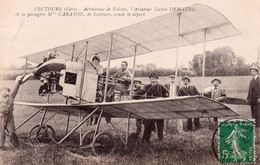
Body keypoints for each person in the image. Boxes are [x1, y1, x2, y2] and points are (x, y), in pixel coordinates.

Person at [0, 75, 25, 149]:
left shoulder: (11, 96)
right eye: (3, 91)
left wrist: (18, 82)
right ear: (0, 92)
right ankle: (1, 146)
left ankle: (16, 145)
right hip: (1, 117)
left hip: (10, 117)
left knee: (12, 132)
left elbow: (16, 90)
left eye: (7, 91)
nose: (5, 92)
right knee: (1, 133)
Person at [142, 74, 168, 142]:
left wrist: (164, 104)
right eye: (151, 79)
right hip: (150, 109)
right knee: (148, 125)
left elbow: (167, 94)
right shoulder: (147, 87)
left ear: (157, 79)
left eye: (154, 79)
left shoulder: (161, 86)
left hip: (159, 109)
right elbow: (140, 93)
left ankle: (160, 140)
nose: (153, 80)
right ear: (150, 79)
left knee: (160, 125)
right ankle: (146, 140)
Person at [246, 66, 260, 138]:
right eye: (251, 71)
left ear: (257, 72)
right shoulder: (251, 81)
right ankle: (255, 125)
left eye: (253, 71)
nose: (252, 73)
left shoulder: (259, 79)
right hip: (252, 100)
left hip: (258, 100)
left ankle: (258, 126)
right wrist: (248, 98)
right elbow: (250, 90)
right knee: (253, 112)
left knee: (258, 112)